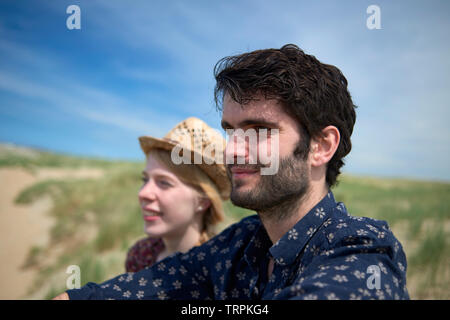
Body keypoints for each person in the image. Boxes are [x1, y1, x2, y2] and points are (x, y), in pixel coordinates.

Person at [54, 44, 409, 300]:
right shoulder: (240, 243)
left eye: (257, 132)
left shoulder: (362, 250)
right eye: (231, 131)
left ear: (321, 146)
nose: (233, 150)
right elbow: (156, 284)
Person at [125, 117, 231, 272]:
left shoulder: (221, 270)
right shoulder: (140, 256)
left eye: (164, 183)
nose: (143, 193)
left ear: (204, 200)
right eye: (145, 179)